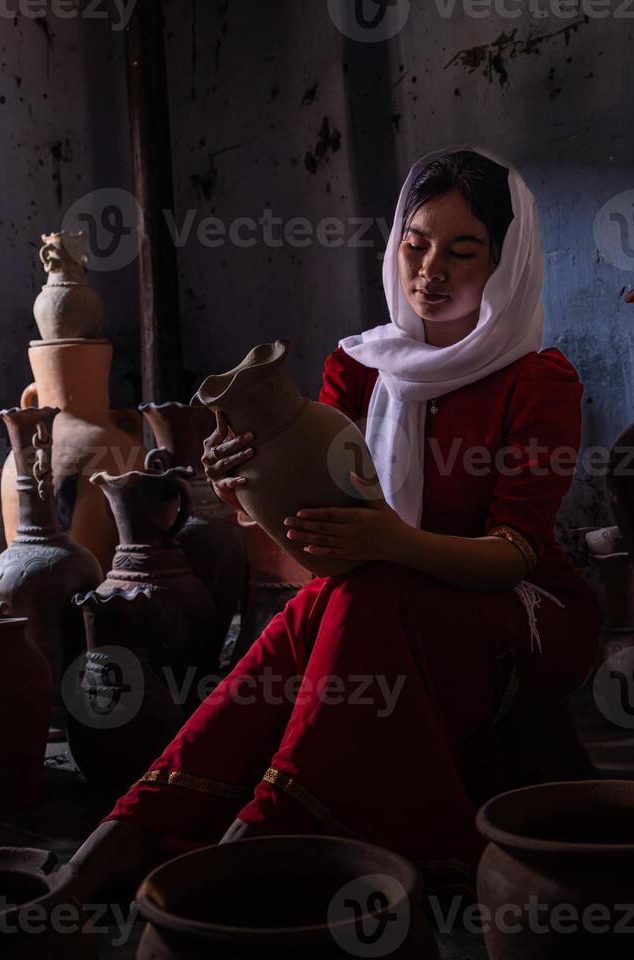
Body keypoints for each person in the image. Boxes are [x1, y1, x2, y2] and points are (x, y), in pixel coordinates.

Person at [67, 146, 601, 898]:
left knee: (362, 597)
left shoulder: (539, 381)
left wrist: (391, 542)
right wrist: (246, 486)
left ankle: (255, 841)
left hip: (524, 605)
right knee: (337, 601)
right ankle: (134, 836)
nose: (430, 271)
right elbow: (318, 550)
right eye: (415, 244)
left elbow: (514, 553)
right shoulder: (360, 368)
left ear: (508, 262)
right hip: (382, 595)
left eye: (463, 251)